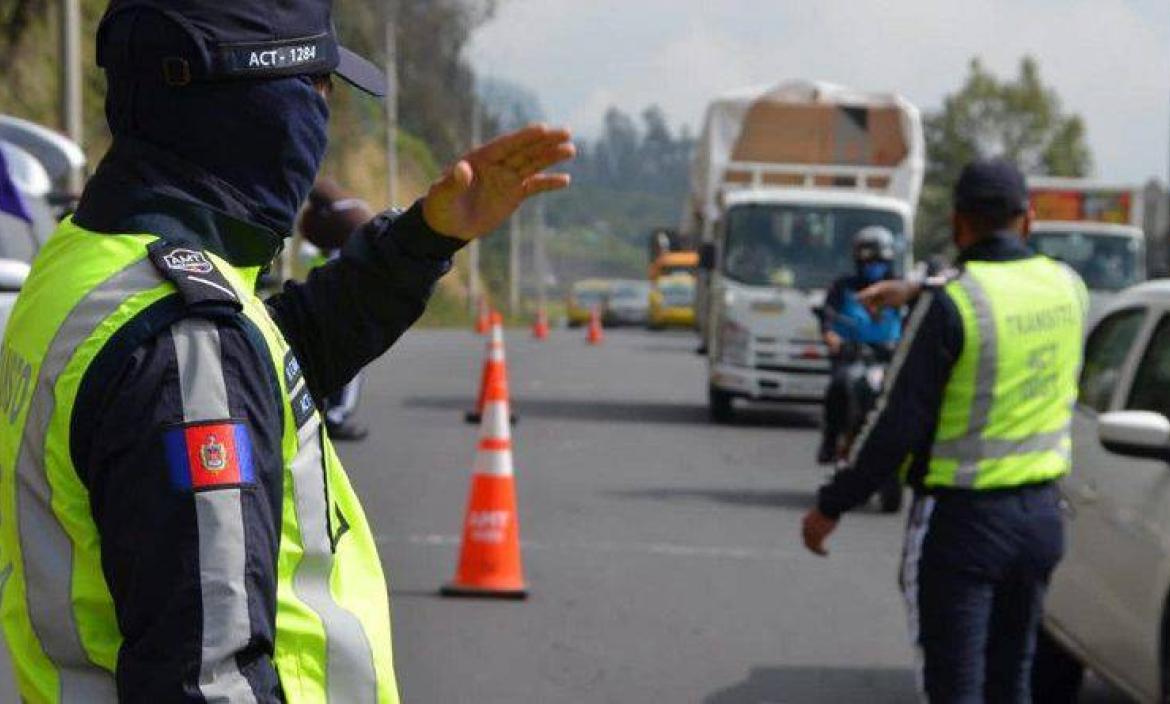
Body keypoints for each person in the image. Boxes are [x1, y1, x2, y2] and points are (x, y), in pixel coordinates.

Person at [0, 1, 574, 701]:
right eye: (319, 91)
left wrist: (424, 238)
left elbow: (272, 365)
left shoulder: (90, 261)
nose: (323, 124)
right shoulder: (186, 340)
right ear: (257, 103)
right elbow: (211, 682)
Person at [801, 159, 1088, 703]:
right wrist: (914, 289)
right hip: (1042, 521)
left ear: (958, 224)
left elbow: (894, 425)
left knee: (954, 689)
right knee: (1012, 680)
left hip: (964, 525)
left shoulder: (951, 303)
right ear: (1027, 220)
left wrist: (832, 504)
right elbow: (1004, 288)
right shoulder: (1068, 288)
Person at [816, 225, 903, 464]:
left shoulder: (899, 289)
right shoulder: (843, 288)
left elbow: (915, 319)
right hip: (853, 357)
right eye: (869, 261)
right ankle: (830, 441)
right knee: (839, 385)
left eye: (879, 261)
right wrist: (833, 339)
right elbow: (828, 318)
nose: (874, 267)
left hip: (889, 360)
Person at [298, 178, 374, 440]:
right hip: (342, 306)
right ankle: (335, 416)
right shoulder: (345, 231)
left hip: (325, 301)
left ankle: (322, 412)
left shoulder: (338, 227)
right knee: (351, 361)